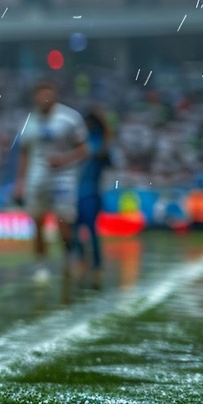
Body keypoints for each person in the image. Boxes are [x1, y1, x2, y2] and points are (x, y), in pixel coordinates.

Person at [13, 80, 88, 283]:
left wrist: (64, 160)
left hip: (64, 177)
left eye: (48, 94)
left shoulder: (70, 118)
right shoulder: (29, 121)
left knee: (64, 223)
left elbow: (84, 149)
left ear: (54, 95)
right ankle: (41, 266)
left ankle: (69, 258)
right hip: (36, 178)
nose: (44, 98)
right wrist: (19, 182)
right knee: (37, 223)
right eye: (40, 94)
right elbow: (24, 153)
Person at [75, 108, 112, 288]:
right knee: (74, 230)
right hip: (76, 192)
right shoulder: (80, 140)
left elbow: (105, 157)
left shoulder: (100, 141)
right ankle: (83, 261)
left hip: (91, 193)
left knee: (91, 230)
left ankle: (96, 266)